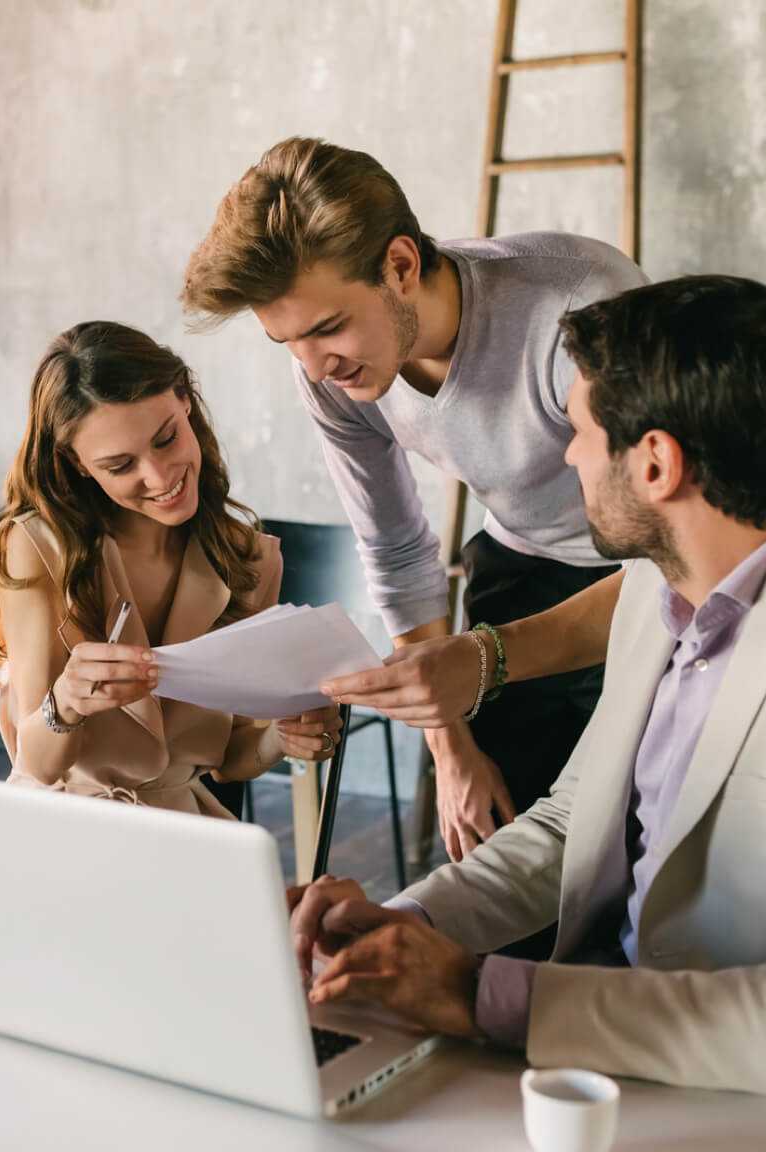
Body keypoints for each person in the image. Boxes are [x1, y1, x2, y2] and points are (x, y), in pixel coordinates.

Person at [285, 275, 766, 1098]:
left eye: (579, 432)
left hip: (737, 1105)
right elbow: (574, 822)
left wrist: (477, 992)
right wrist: (406, 925)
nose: (568, 456)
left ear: (656, 464)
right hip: (594, 1059)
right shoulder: (656, 582)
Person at [181, 136, 647, 863]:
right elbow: (395, 548)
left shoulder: (581, 307)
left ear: (400, 265)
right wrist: (451, 745)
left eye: (329, 328)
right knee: (509, 861)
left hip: (647, 577)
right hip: (519, 567)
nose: (316, 367)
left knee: (629, 854)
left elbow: (676, 561)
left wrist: (484, 661)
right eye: (288, 343)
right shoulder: (330, 373)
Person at [0, 321, 341, 818]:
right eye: (120, 466)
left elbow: (229, 755)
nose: (159, 476)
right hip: (63, 826)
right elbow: (37, 764)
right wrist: (66, 702)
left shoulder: (247, 559)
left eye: (166, 439)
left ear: (184, 398)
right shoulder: (36, 548)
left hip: (185, 828)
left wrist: (280, 738)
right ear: (77, 463)